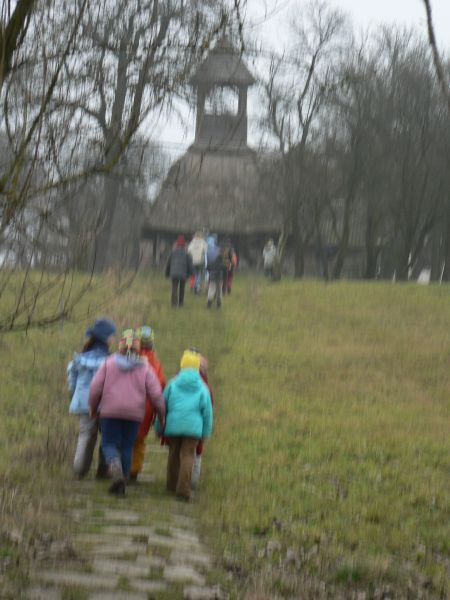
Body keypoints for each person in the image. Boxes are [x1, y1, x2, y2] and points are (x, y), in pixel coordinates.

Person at [89, 329, 165, 496]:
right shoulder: (145, 368)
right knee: (127, 446)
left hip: (110, 411)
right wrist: (161, 414)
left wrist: (93, 408)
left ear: (120, 347)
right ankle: (123, 479)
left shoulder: (108, 363)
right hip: (134, 414)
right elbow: (156, 394)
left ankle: (115, 468)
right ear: (138, 349)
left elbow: (95, 388)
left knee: (109, 443)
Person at [156, 350, 212, 501]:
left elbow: (163, 406)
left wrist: (158, 427)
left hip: (173, 426)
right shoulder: (202, 387)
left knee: (173, 454)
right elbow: (207, 412)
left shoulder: (172, 383)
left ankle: (171, 485)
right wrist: (205, 431)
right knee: (188, 455)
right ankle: (183, 489)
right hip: (194, 429)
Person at [67, 317, 116, 479]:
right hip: (105, 404)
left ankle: (79, 468)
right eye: (111, 336)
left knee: (85, 434)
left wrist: (75, 393)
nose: (113, 339)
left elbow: (71, 378)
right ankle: (103, 470)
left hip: (83, 403)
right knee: (107, 436)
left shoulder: (80, 358)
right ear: (105, 338)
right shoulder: (110, 360)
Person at [129, 325, 167, 482]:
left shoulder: (129, 358)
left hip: (128, 401)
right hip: (147, 407)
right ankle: (134, 470)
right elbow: (161, 384)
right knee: (139, 440)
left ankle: (121, 466)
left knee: (126, 438)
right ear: (152, 343)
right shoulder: (155, 363)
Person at [192, 354, 214, 490]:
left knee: (181, 452)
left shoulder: (177, 380)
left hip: (178, 425)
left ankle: (178, 479)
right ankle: (193, 479)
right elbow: (209, 409)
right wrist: (207, 429)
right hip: (197, 426)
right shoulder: (205, 386)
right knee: (196, 452)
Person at [165, 234, 192, 307]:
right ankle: (181, 303)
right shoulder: (187, 254)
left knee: (174, 287)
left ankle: (174, 303)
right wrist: (191, 273)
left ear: (177, 244)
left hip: (174, 273)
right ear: (184, 244)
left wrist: (167, 273)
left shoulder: (172, 252)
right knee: (182, 288)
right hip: (183, 273)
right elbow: (190, 265)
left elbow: (168, 263)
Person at [206, 234, 223, 309]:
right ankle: (219, 301)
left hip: (212, 274)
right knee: (219, 288)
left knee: (211, 288)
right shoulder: (220, 253)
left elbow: (207, 266)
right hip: (219, 275)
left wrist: (208, 270)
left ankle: (209, 301)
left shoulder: (208, 253)